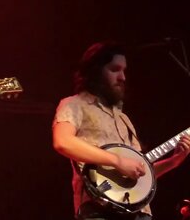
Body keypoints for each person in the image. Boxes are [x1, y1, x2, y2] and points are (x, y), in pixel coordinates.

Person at [52, 42, 190, 220]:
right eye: (115, 69)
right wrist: (117, 161)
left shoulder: (124, 119)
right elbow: (63, 142)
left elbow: (137, 172)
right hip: (99, 209)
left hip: (139, 212)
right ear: (95, 71)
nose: (122, 77)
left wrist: (174, 161)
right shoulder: (74, 104)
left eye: (124, 71)